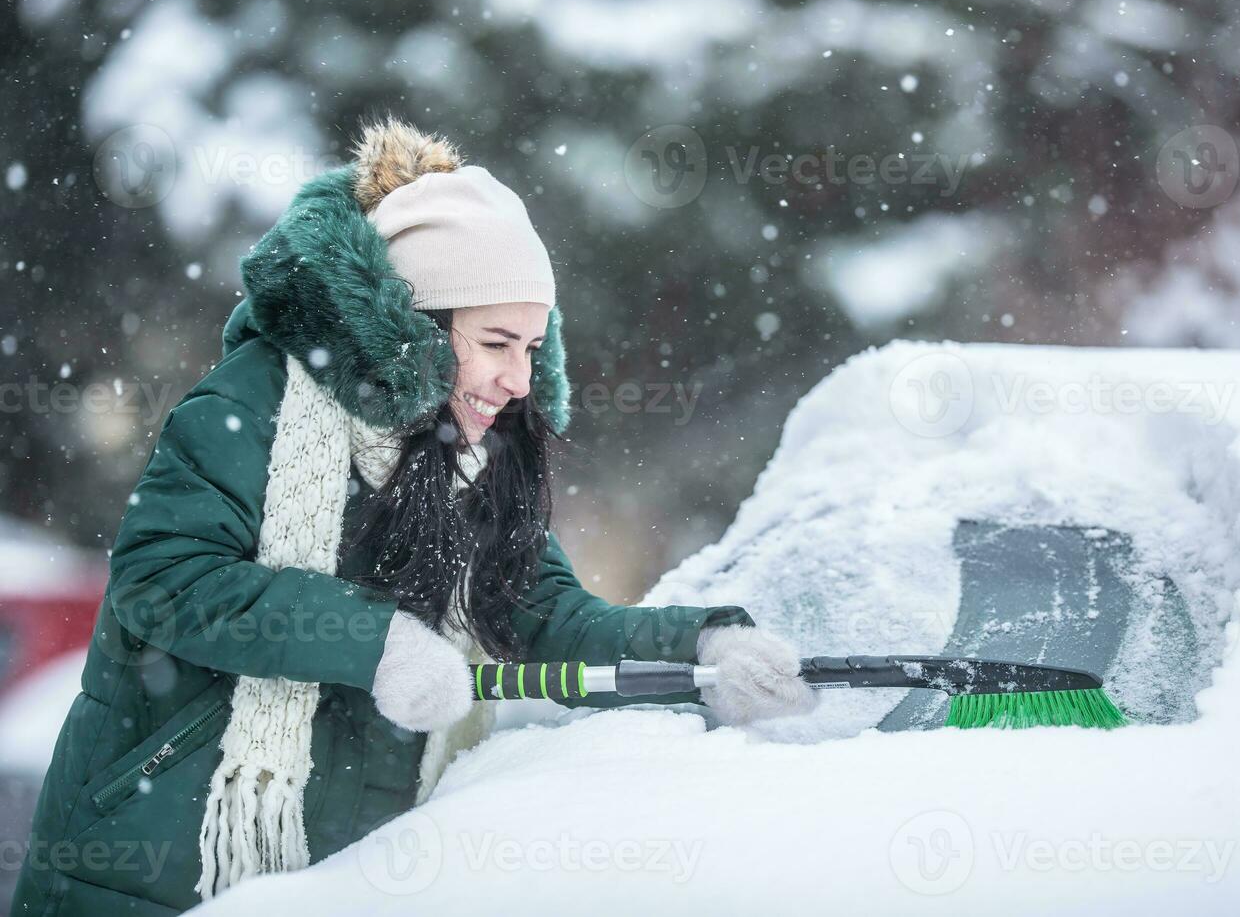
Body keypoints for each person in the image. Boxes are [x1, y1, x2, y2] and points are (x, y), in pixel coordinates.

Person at [10, 116, 817, 916]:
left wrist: (707, 649)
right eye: (498, 343)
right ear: (417, 331)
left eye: (534, 350)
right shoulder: (250, 404)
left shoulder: (470, 460)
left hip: (344, 879)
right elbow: (165, 582)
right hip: (151, 867)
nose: (518, 380)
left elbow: (549, 617)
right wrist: (377, 642)